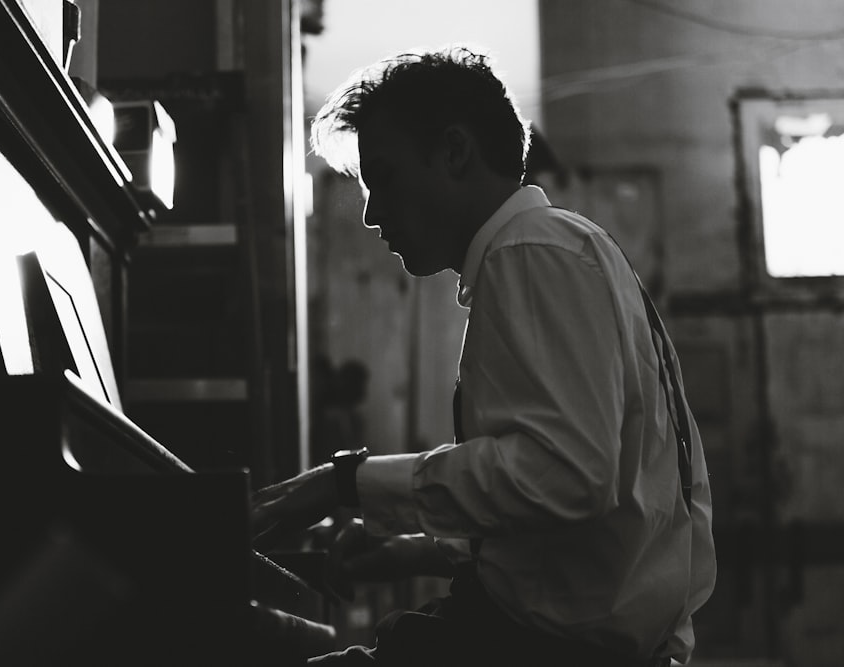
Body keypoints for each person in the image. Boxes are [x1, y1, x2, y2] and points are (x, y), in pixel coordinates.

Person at [252, 45, 716, 666]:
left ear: (453, 151)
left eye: (382, 177)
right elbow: (574, 519)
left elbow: (566, 476)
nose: (370, 212)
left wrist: (344, 483)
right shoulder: (561, 247)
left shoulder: (533, 251)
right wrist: (415, 549)